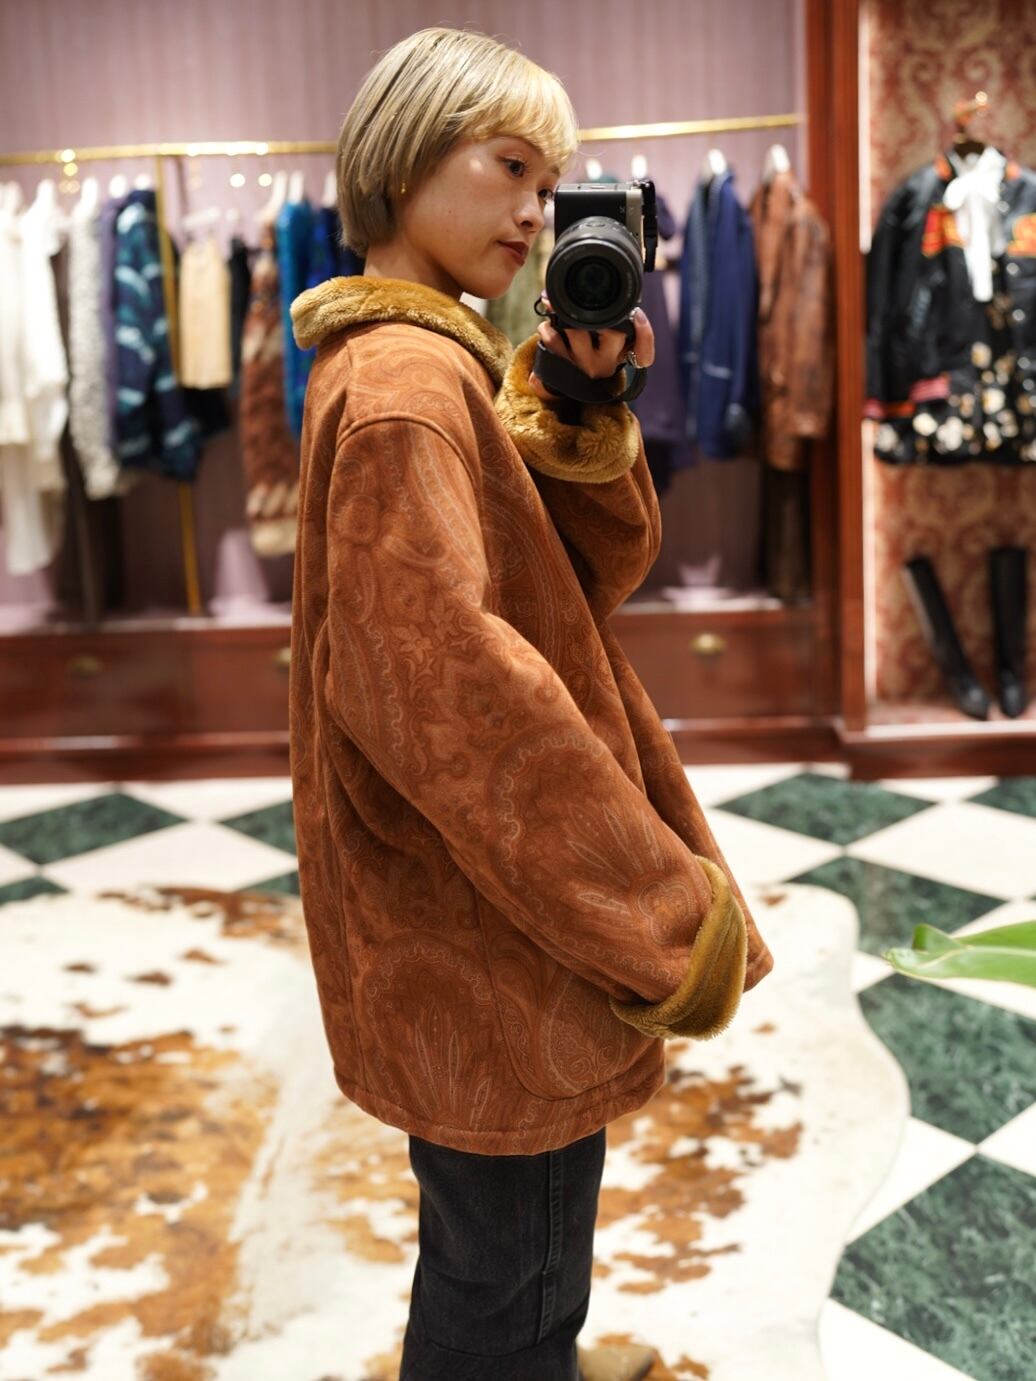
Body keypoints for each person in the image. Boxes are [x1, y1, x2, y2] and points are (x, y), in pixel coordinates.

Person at [288, 26, 774, 1381]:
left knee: (505, 1255)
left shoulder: (425, 363)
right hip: (495, 924)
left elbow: (566, 583)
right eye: (509, 166)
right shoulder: (405, 387)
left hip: (477, 905)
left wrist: (574, 398)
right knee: (511, 1281)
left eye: (549, 183)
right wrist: (649, 902)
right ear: (405, 158)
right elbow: (450, 696)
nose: (534, 211)